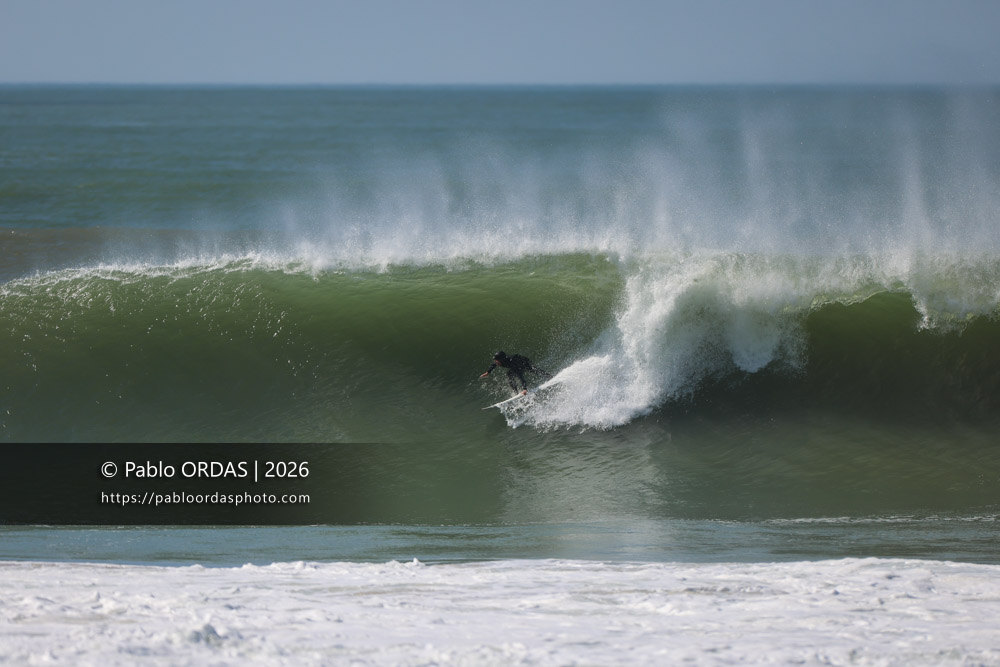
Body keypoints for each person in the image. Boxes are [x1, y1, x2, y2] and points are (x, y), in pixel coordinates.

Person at [479, 351, 551, 395]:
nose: (496, 362)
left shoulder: (511, 362)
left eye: (497, 360)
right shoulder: (500, 361)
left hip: (525, 363)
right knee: (509, 375)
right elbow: (493, 365)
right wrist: (488, 372)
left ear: (501, 359)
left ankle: (549, 377)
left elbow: (520, 376)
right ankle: (516, 392)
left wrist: (525, 388)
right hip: (517, 364)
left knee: (535, 371)